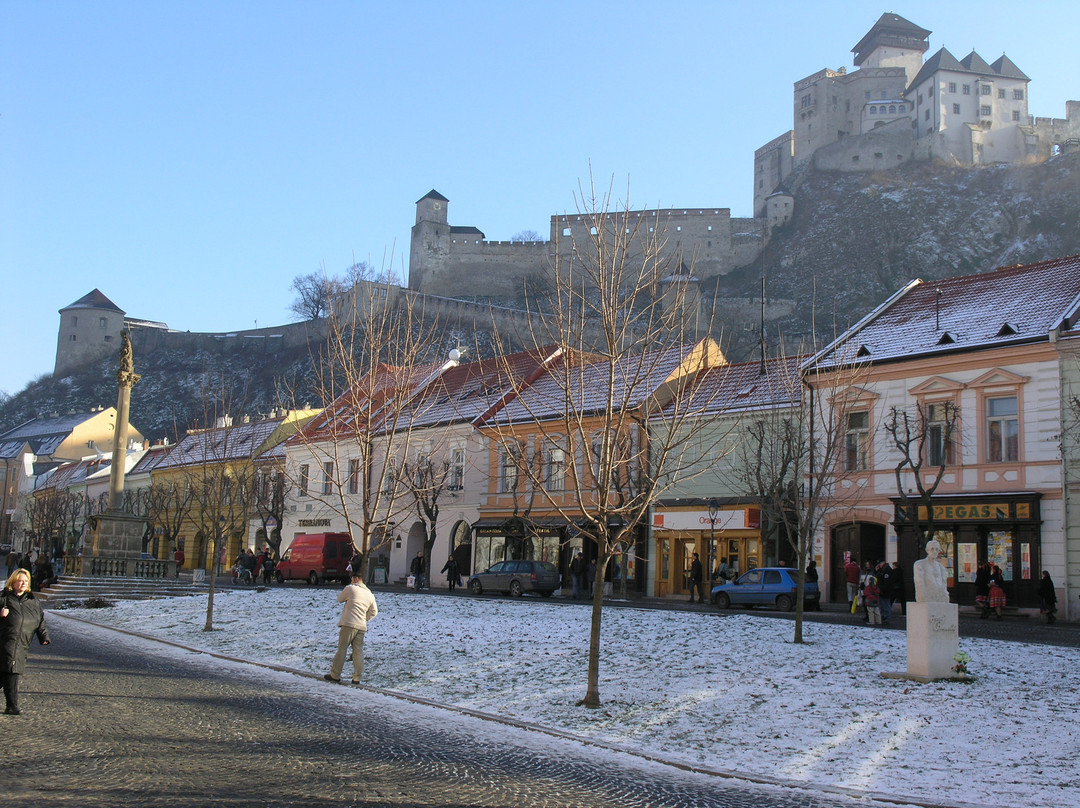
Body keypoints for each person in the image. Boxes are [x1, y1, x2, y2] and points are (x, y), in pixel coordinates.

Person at [0, 569, 50, 714]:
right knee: (10, 673)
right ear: (13, 582)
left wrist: (44, 637)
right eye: (20, 581)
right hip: (4, 641)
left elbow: (40, 620)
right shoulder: (4, 598)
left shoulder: (33, 601)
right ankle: (12, 705)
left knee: (8, 672)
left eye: (26, 581)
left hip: (22, 643)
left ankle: (11, 705)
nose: (23, 584)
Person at [324, 570, 378, 685]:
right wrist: (365, 618)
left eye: (352, 579)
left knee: (342, 648)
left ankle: (335, 675)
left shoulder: (351, 589)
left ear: (356, 579)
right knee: (358, 651)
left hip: (349, 623)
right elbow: (374, 612)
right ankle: (357, 678)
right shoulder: (370, 594)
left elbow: (339, 599)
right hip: (361, 626)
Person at [875, 561, 894, 625]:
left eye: (880, 563)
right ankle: (883, 616)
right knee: (882, 604)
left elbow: (886, 582)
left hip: (885, 590)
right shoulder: (883, 570)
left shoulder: (887, 570)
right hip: (882, 590)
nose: (879, 565)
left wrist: (882, 589)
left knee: (886, 604)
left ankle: (886, 617)